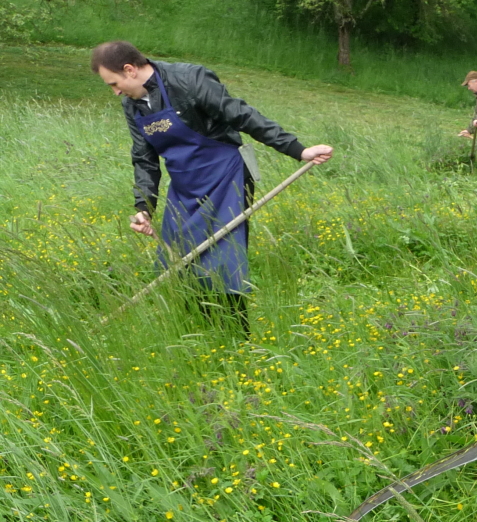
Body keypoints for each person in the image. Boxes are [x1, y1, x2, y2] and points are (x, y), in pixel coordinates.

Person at [91, 41, 333, 335]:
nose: (115, 92)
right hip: (184, 186)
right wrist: (144, 207)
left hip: (225, 176)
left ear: (129, 70)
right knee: (178, 260)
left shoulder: (189, 79)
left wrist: (298, 150)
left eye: (114, 83)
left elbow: (242, 115)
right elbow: (144, 158)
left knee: (222, 259)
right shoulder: (132, 105)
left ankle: (235, 337)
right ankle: (201, 334)